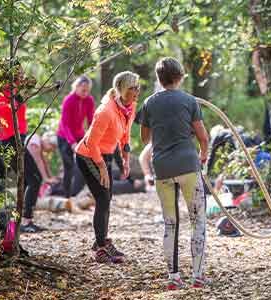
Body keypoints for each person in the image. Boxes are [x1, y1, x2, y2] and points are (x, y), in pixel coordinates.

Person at [140, 57, 210, 290]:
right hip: (189, 166)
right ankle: (197, 277)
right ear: (180, 76)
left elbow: (144, 138)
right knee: (197, 220)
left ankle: (174, 278)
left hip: (162, 168)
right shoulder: (189, 100)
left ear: (159, 78)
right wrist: (203, 155)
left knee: (170, 224)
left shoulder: (149, 103)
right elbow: (203, 137)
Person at [75, 71, 138, 264]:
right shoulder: (105, 111)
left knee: (107, 197)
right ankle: (101, 248)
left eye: (138, 87)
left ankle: (101, 241)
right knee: (102, 197)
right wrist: (102, 167)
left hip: (106, 153)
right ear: (121, 90)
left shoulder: (129, 107)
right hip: (88, 155)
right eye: (132, 88)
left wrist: (126, 160)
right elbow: (92, 143)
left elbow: (125, 136)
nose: (137, 92)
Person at [0, 65, 45, 233]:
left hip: (20, 140)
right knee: (34, 179)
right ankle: (23, 221)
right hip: (8, 142)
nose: (20, 75)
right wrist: (9, 107)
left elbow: (36, 89)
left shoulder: (17, 90)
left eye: (20, 72)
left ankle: (21, 220)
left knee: (24, 181)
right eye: (17, 73)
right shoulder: (2, 92)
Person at [57, 76, 94, 198]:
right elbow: (65, 124)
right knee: (69, 167)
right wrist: (72, 142)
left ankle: (76, 193)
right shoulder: (69, 100)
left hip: (79, 136)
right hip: (64, 137)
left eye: (87, 90)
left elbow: (90, 121)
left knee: (84, 164)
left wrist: (91, 137)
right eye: (83, 89)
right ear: (76, 87)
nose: (85, 92)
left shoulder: (89, 100)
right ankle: (66, 196)